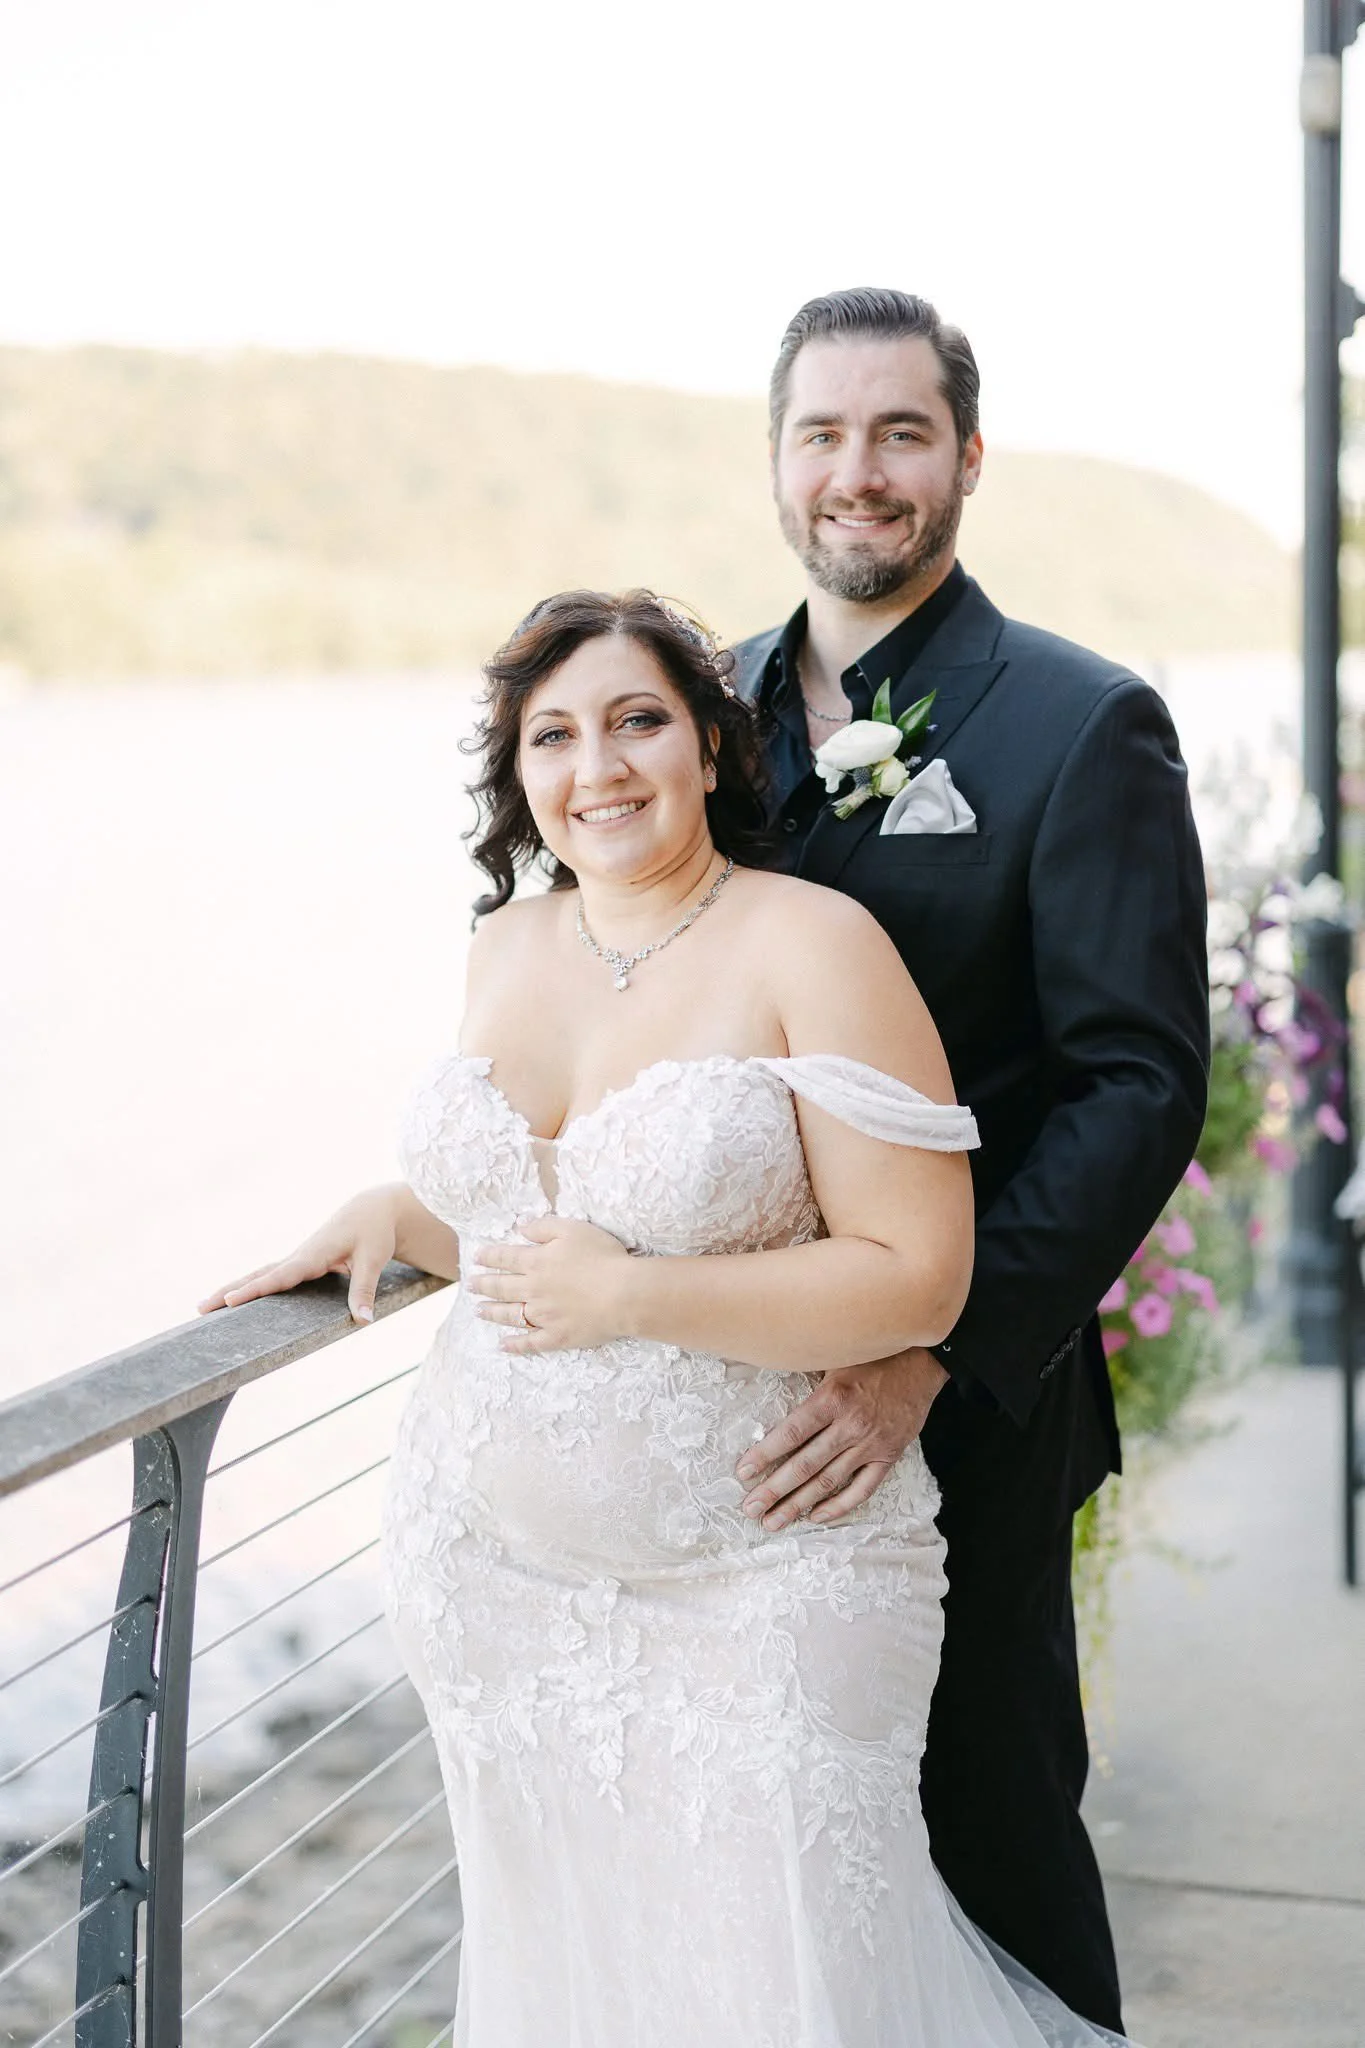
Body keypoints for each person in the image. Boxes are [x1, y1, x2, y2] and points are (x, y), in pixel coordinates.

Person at [202, 588, 1140, 2045]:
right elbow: (545, 1212)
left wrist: (636, 1298)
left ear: (709, 744)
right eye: (553, 735)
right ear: (517, 773)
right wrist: (405, 1219)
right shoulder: (505, 946)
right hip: (496, 1579)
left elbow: (919, 1271)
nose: (600, 767)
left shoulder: (813, 943)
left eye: (639, 720)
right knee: (582, 1972)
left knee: (799, 1981)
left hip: (762, 1573)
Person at [726, 288, 1211, 2032]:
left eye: (900, 434)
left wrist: (922, 1349)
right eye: (824, 433)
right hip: (718, 1402)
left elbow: (1135, 1085)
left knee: (986, 1835)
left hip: (966, 1415)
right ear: (776, 460)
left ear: (969, 459)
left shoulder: (1083, 723)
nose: (859, 474)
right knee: (766, 1849)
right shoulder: (685, 713)